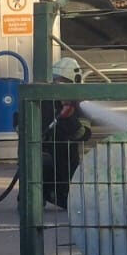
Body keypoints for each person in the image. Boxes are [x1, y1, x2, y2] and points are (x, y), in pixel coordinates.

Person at [39, 56, 91, 208]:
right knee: (40, 161)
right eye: (56, 79)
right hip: (42, 152)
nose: (58, 84)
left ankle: (61, 195)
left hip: (66, 156)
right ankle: (34, 196)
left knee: (68, 201)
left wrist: (69, 120)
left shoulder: (78, 105)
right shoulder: (41, 100)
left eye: (62, 80)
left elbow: (85, 134)